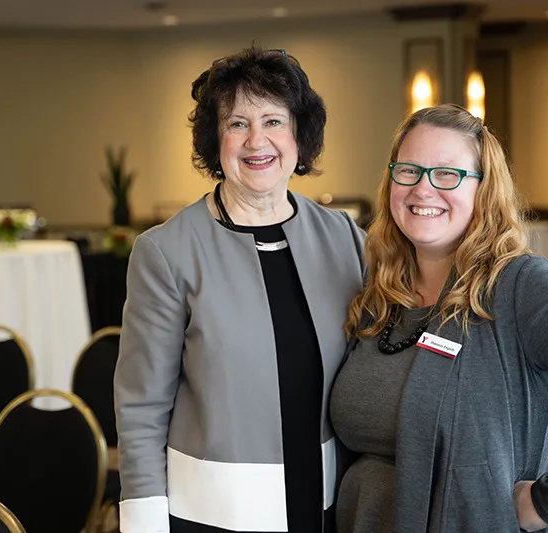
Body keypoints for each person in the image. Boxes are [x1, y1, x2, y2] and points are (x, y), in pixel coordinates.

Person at [329, 103, 548, 532]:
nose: (423, 189)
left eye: (448, 173)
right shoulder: (379, 293)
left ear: (483, 189)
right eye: (408, 170)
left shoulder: (517, 287)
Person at [114, 46, 366, 533]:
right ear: (216, 140)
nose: (257, 141)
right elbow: (141, 407)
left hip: (328, 505)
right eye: (237, 124)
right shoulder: (166, 251)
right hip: (212, 515)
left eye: (274, 121)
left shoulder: (346, 240)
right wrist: (144, 520)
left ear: (299, 134)